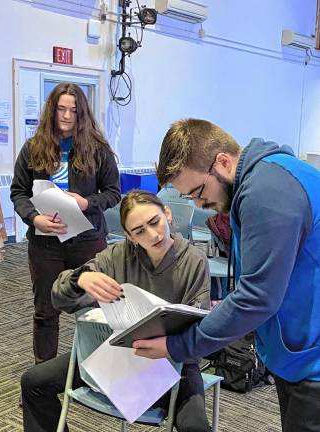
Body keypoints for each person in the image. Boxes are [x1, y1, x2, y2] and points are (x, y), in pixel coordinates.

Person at [133, 119, 320, 432]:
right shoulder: (271, 173)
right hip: (301, 352)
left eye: (197, 192)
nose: (198, 204)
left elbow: (257, 298)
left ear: (222, 161)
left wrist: (178, 346)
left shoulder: (266, 191)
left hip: (312, 363)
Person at [21, 190, 211, 432]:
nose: (153, 234)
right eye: (140, 231)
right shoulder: (117, 256)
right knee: (33, 382)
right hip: (117, 353)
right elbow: (59, 298)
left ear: (168, 215)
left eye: (155, 222)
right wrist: (81, 278)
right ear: (129, 237)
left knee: (195, 426)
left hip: (173, 360)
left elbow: (198, 329)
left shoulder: (193, 260)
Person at [10, 82, 121, 364]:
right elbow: (19, 192)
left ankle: (99, 374)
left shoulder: (97, 149)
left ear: (82, 113)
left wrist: (86, 203)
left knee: (95, 309)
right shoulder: (34, 148)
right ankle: (41, 378)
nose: (67, 116)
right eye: (61, 109)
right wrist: (34, 218)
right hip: (45, 244)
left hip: (86, 240)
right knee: (46, 311)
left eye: (73, 110)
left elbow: (113, 193)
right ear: (52, 110)